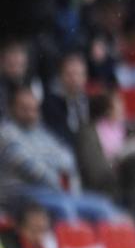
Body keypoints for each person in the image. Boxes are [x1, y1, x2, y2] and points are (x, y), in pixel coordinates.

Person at [0, 87, 125, 223]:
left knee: (102, 205)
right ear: (11, 109)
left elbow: (68, 158)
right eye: (24, 109)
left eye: (34, 109)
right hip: (20, 195)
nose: (31, 113)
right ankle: (72, 244)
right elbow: (30, 168)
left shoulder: (41, 132)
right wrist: (55, 172)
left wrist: (45, 160)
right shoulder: (6, 134)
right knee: (65, 209)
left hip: (53, 193)